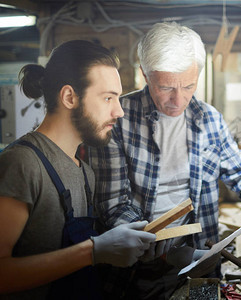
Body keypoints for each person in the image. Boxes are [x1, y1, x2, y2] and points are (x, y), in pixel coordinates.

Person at [90, 22, 241, 300]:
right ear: (144, 74)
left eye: (189, 86)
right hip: (132, 271)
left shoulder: (209, 120)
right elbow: (112, 205)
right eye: (166, 87)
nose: (177, 100)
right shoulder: (118, 119)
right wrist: (161, 245)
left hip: (200, 263)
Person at [0, 40, 162, 300]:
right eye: (108, 98)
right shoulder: (23, 163)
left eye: (118, 98)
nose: (119, 111)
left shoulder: (85, 172)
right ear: (69, 97)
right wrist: (92, 251)